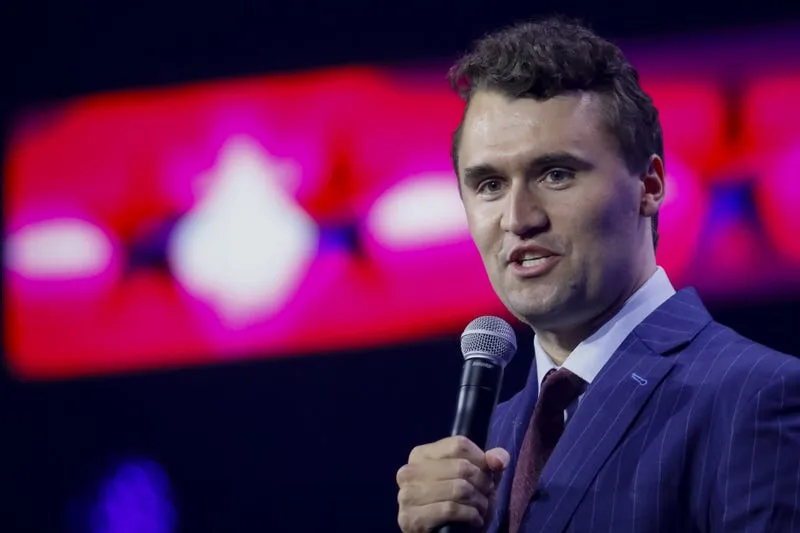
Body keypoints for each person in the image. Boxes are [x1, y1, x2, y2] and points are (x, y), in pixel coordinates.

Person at [395, 16, 800, 533]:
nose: (518, 218)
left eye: (555, 174)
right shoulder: (489, 442)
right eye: (490, 184)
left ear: (649, 186)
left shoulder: (758, 396)